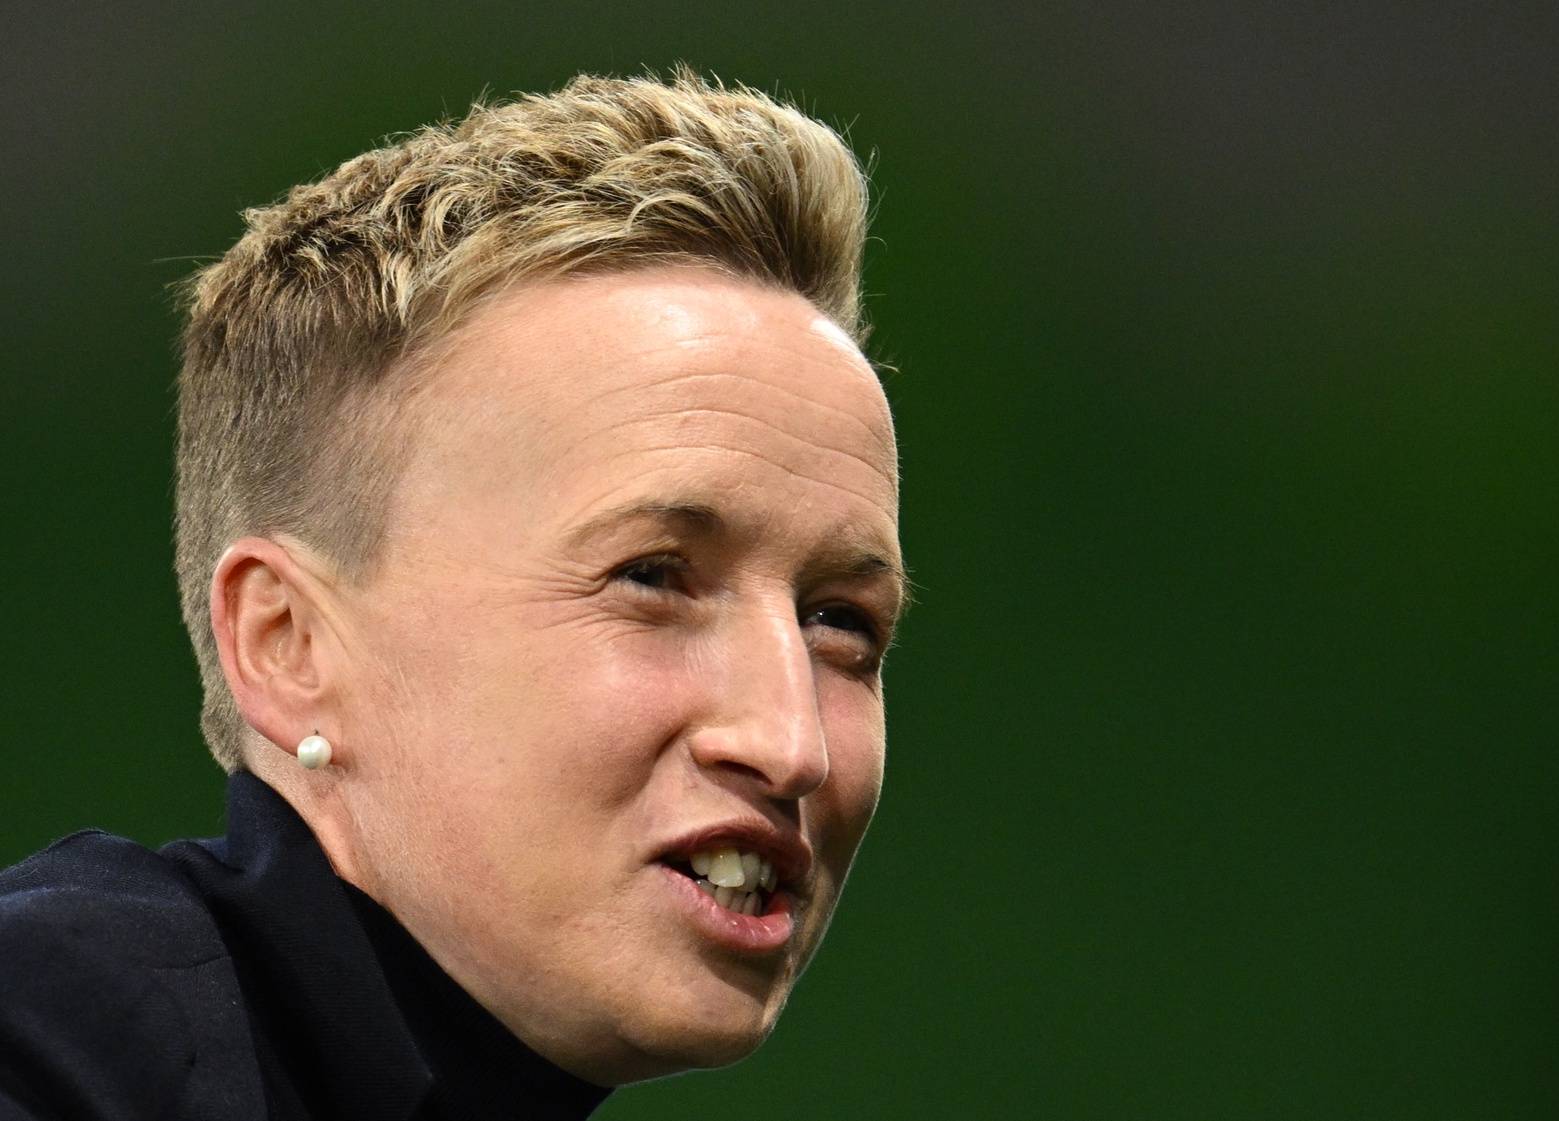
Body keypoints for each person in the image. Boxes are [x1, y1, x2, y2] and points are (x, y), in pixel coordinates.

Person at [0, 69, 904, 1118]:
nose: (793, 742)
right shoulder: (54, 1046)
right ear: (289, 646)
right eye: (652, 576)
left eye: (840, 620)